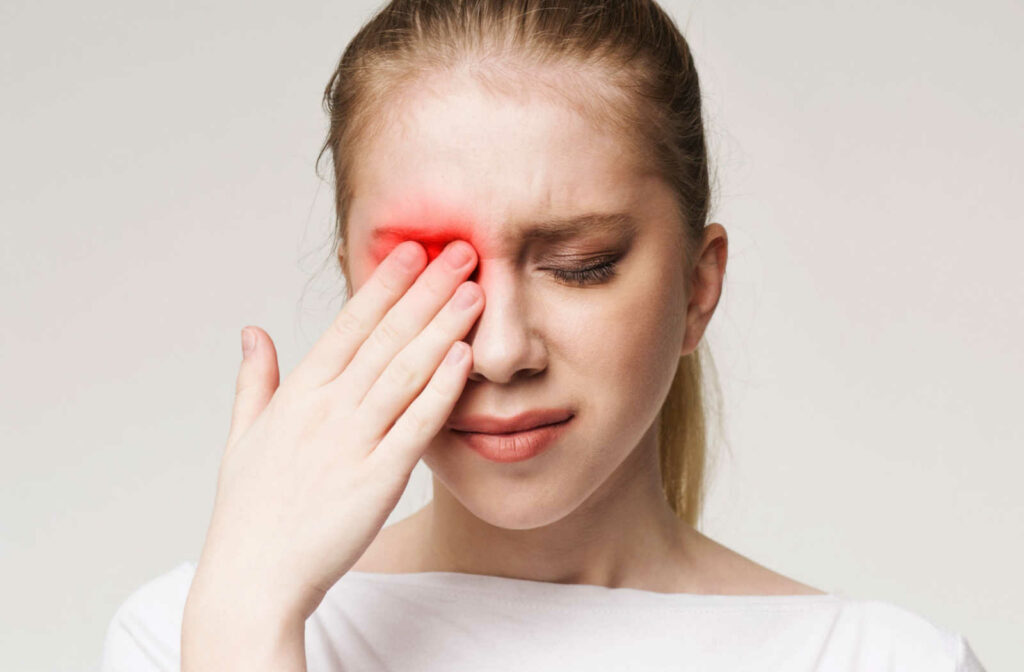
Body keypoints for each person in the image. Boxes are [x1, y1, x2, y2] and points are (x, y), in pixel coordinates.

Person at [100, 1, 986, 670]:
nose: (499, 351)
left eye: (581, 263)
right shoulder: (186, 632)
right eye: (435, 272)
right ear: (354, 288)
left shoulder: (881, 660)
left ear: (697, 287)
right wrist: (246, 622)